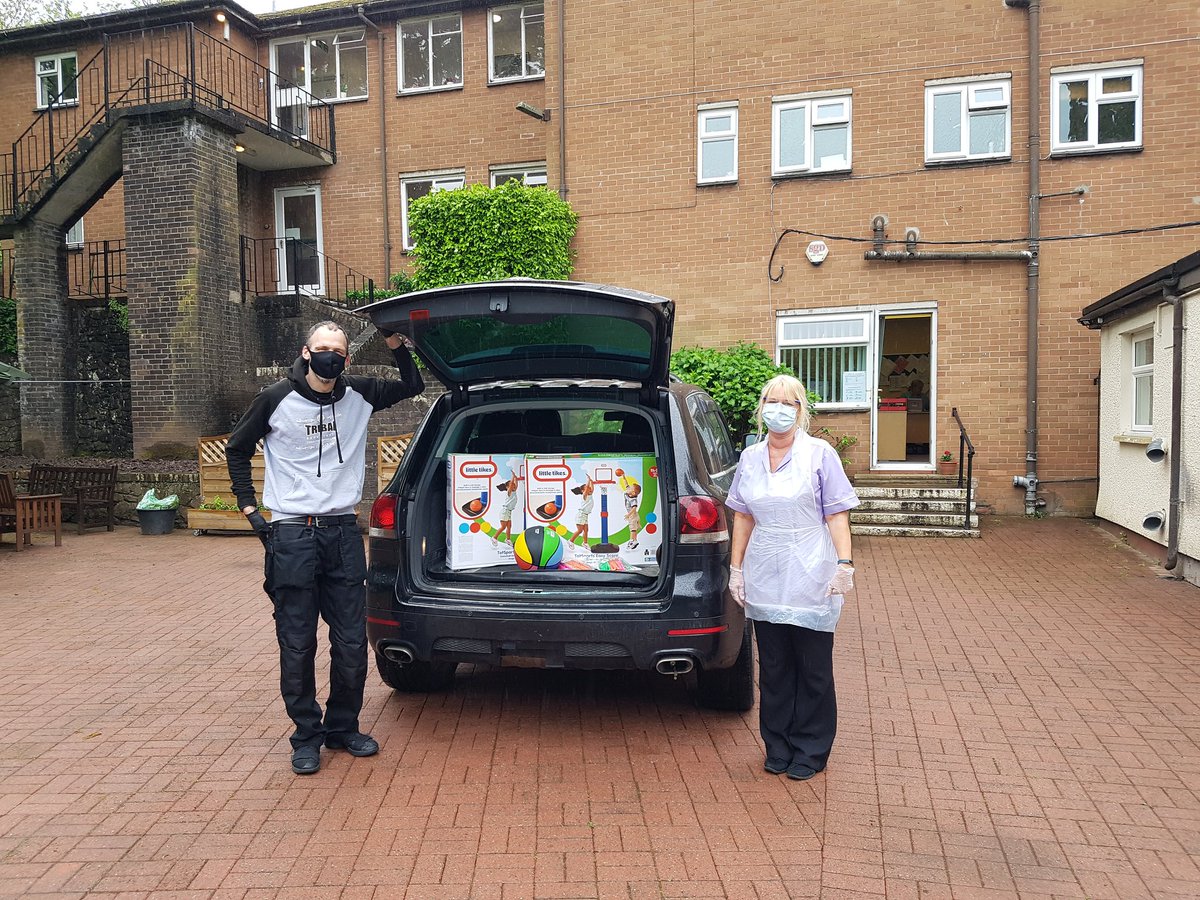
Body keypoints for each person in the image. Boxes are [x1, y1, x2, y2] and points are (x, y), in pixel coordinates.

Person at [226, 321, 424, 775]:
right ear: (306, 352)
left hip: (342, 532)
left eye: (337, 350)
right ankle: (305, 736)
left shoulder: (360, 393)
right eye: (322, 348)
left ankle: (343, 727)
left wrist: (394, 342)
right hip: (292, 533)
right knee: (297, 644)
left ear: (346, 358)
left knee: (352, 642)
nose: (329, 356)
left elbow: (412, 385)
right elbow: (237, 448)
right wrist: (250, 510)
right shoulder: (275, 398)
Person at [727, 374, 859, 781]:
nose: (778, 409)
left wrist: (844, 563)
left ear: (801, 410)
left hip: (811, 569)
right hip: (765, 568)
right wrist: (736, 569)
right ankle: (778, 745)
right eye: (771, 400)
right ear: (761, 407)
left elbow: (837, 514)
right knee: (774, 666)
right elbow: (743, 516)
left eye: (788, 402)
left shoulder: (819, 454)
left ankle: (811, 749)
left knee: (813, 667)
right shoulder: (750, 457)